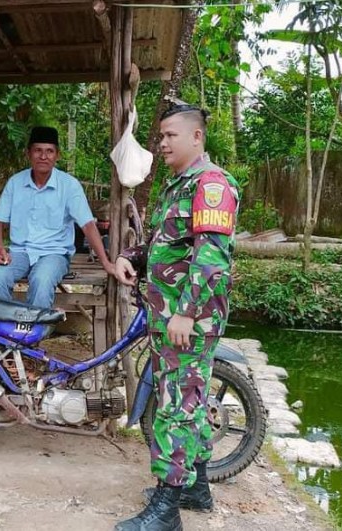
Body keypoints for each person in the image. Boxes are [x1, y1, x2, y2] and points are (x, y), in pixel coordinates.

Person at [113, 103, 240, 531]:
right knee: (192, 399)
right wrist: (134, 257)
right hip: (168, 316)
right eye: (161, 136)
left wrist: (186, 313)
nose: (161, 143)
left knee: (175, 407)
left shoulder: (211, 185)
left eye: (170, 136)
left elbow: (211, 260)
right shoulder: (177, 186)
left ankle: (166, 511)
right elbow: (169, 245)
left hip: (187, 320)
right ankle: (196, 488)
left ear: (196, 137)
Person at [0, 126, 115, 309]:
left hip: (54, 253)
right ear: (28, 153)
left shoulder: (69, 186)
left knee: (42, 280)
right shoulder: (15, 183)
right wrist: (0, 247)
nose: (43, 156)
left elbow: (87, 225)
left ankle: (31, 335)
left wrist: (105, 262)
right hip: (19, 252)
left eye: (49, 151)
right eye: (38, 150)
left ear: (57, 155)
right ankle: (1, 334)